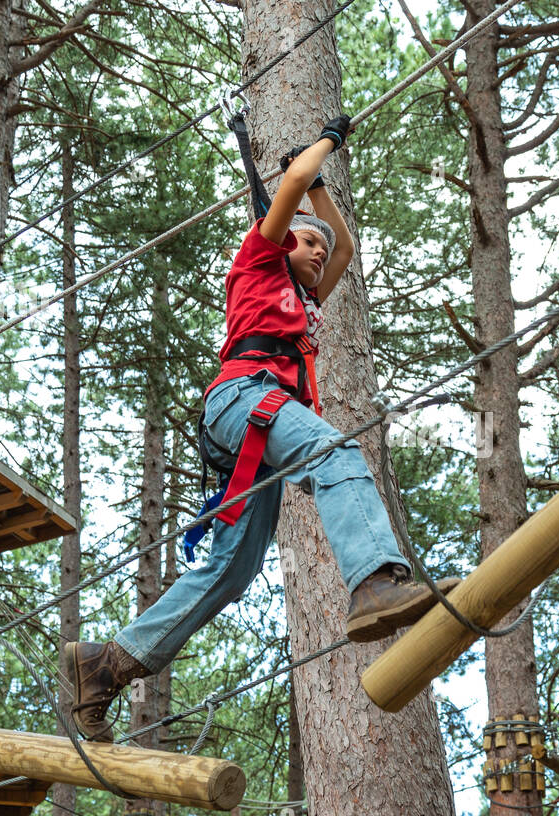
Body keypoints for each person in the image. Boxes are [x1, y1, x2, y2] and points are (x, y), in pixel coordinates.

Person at [61, 114, 456, 741]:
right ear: (280, 242)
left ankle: (107, 664)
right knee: (335, 453)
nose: (320, 252)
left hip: (260, 423)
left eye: (319, 248)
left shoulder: (307, 298)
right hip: (241, 398)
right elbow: (292, 182)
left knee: (233, 570)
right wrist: (321, 145)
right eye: (307, 243)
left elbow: (344, 246)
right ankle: (376, 580)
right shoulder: (257, 263)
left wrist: (321, 189)